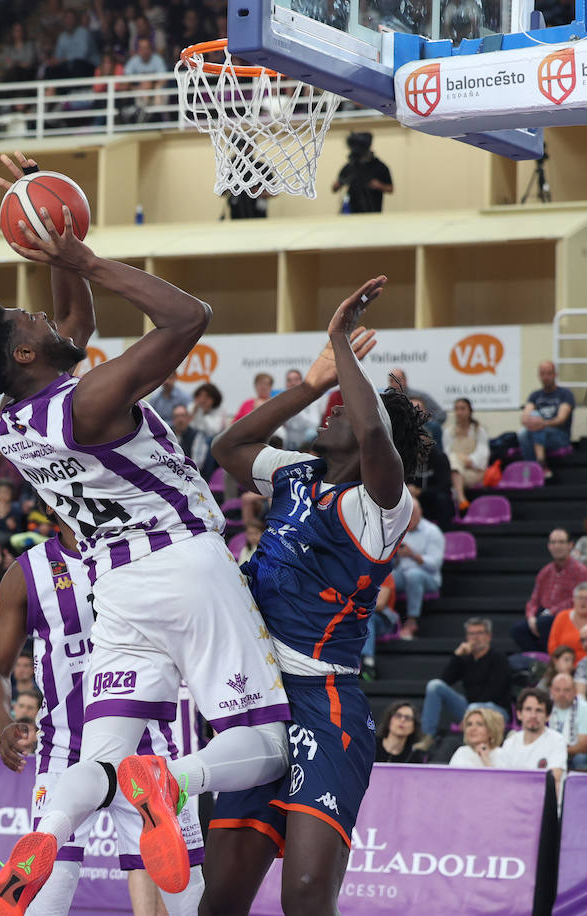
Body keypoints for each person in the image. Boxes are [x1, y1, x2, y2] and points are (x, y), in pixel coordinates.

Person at [0, 153, 293, 910]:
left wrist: (53, 246)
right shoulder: (89, 404)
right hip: (185, 565)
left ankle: (46, 833)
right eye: (31, 323)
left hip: (115, 591)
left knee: (101, 752)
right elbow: (189, 317)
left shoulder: (15, 425)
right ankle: (172, 781)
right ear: (23, 353)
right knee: (265, 745)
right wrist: (86, 256)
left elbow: (75, 326)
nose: (46, 317)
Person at [203, 284, 428, 916]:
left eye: (341, 409)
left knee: (303, 894)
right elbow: (227, 452)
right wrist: (309, 384)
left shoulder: (381, 507)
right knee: (219, 899)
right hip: (257, 698)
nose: (330, 410)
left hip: (325, 703)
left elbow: (378, 442)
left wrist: (342, 345)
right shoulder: (294, 473)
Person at [0, 516, 205, 915]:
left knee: (187, 900)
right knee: (46, 898)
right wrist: (3, 724)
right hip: (64, 749)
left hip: (146, 749)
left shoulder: (149, 555)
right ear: (51, 503)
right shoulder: (27, 573)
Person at [420, 617, 511, 736]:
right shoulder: (465, 659)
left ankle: (470, 717)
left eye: (479, 633)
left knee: (475, 707)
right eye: (471, 634)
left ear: (489, 636)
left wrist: (471, 713)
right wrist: (457, 656)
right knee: (434, 686)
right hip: (469, 708)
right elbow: (445, 681)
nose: (475, 637)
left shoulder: (499, 658)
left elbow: (493, 692)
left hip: (497, 711)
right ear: (467, 637)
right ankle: (427, 736)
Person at [513, 529, 587, 653]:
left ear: (570, 545)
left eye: (561, 542)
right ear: (549, 546)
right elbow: (534, 600)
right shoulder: (545, 572)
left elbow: (580, 600)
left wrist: (550, 612)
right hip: (543, 615)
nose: (557, 546)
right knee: (518, 629)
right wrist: (531, 618)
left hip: (568, 617)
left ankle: (554, 661)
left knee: (545, 621)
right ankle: (542, 660)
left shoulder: (580, 571)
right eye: (553, 543)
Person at [392, 501, 443, 639]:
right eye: (406, 514)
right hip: (402, 574)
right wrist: (396, 555)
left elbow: (434, 565)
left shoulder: (432, 532)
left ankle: (411, 621)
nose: (409, 517)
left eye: (412, 514)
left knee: (413, 575)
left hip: (428, 578)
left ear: (420, 512)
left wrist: (413, 555)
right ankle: (386, 617)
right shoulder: (398, 529)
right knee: (386, 577)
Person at [498, 688, 567, 787]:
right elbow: (502, 780)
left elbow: (554, 778)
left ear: (547, 716)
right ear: (519, 714)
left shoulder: (557, 740)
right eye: (528, 709)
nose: (533, 715)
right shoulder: (509, 743)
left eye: (539, 710)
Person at [517, 361, 574, 475]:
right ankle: (535, 468)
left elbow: (561, 419)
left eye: (549, 373)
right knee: (522, 432)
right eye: (543, 374)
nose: (546, 377)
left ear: (555, 374)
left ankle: (540, 465)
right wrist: (533, 422)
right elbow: (524, 418)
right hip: (538, 434)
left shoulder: (565, 394)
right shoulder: (535, 395)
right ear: (539, 375)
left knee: (538, 429)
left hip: (560, 436)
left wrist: (542, 424)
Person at [547, 583, 587, 665]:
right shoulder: (561, 617)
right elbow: (552, 647)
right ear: (573, 599)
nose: (583, 602)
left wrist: (581, 665)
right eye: (580, 598)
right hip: (563, 666)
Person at [331, 131, 392, 213]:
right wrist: (338, 184)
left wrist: (379, 185)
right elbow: (334, 188)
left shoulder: (379, 166)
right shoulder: (350, 166)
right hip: (351, 212)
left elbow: (391, 189)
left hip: (372, 210)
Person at [443, 397, 488, 510]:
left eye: (463, 409)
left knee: (454, 464)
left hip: (474, 472)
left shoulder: (479, 430)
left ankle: (459, 498)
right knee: (453, 462)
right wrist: (458, 459)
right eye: (457, 409)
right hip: (456, 471)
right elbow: (446, 455)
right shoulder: (449, 431)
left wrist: (466, 460)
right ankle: (461, 499)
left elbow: (482, 455)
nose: (459, 412)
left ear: (470, 411)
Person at [548, 672, 587, 763]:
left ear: (575, 691)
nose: (562, 694)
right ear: (551, 690)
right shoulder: (544, 708)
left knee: (580, 759)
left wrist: (556, 752)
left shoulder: (585, 709)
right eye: (557, 690)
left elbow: (583, 747)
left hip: (578, 755)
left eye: (566, 690)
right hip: (552, 753)